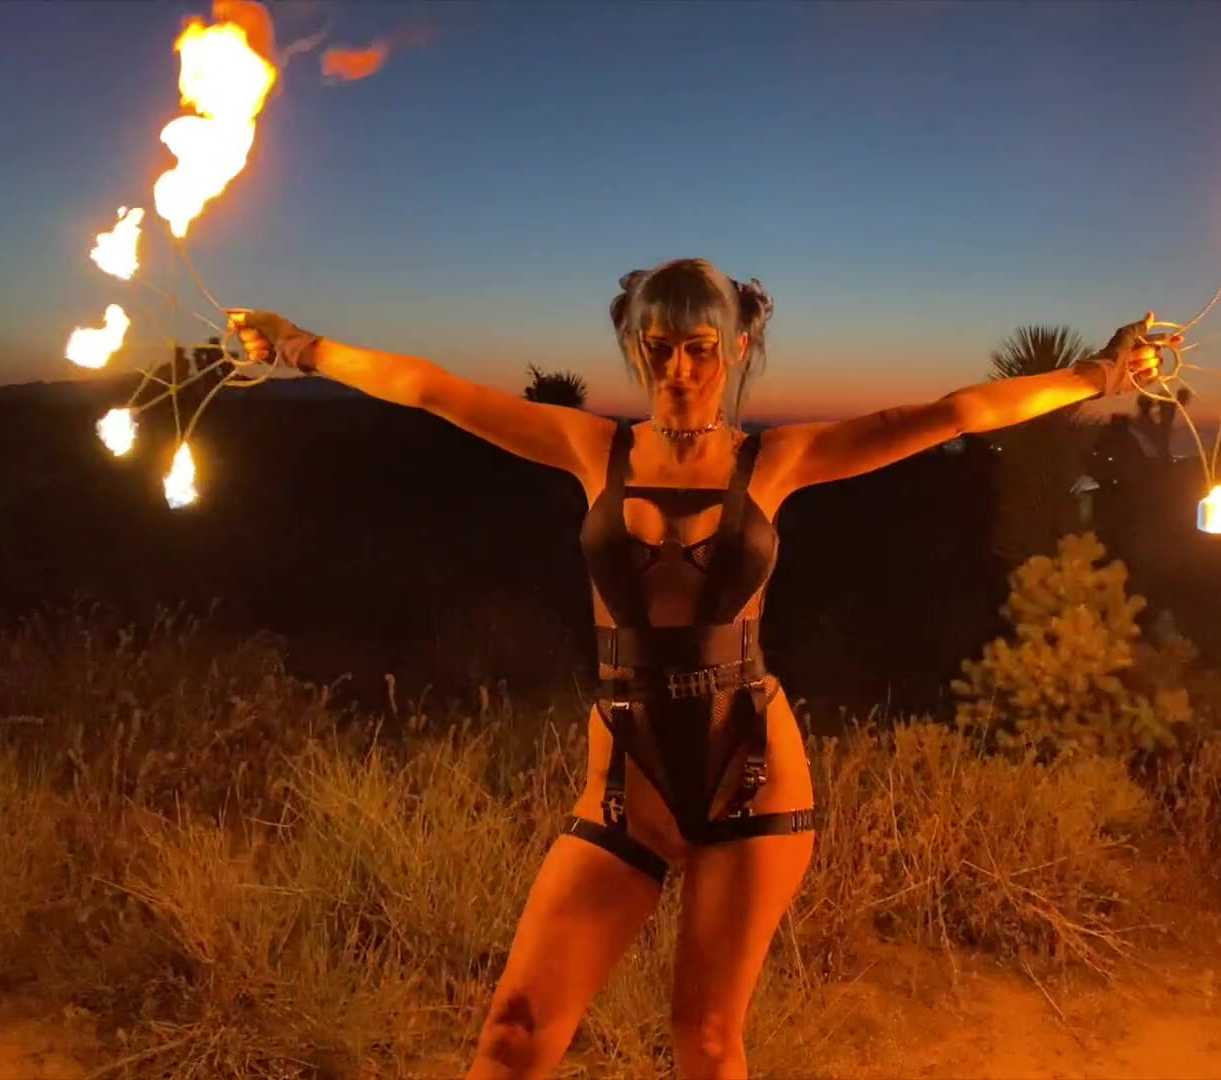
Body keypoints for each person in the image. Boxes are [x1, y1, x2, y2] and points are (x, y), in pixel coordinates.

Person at [227, 258, 1171, 1079]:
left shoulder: (778, 460)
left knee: (706, 1041)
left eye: (700, 348)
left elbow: (954, 412)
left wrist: (1099, 373)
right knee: (514, 1032)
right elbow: (433, 390)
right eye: (659, 347)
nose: (678, 368)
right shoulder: (590, 447)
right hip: (624, 782)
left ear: (738, 347)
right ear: (636, 349)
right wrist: (301, 346)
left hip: (749, 773)